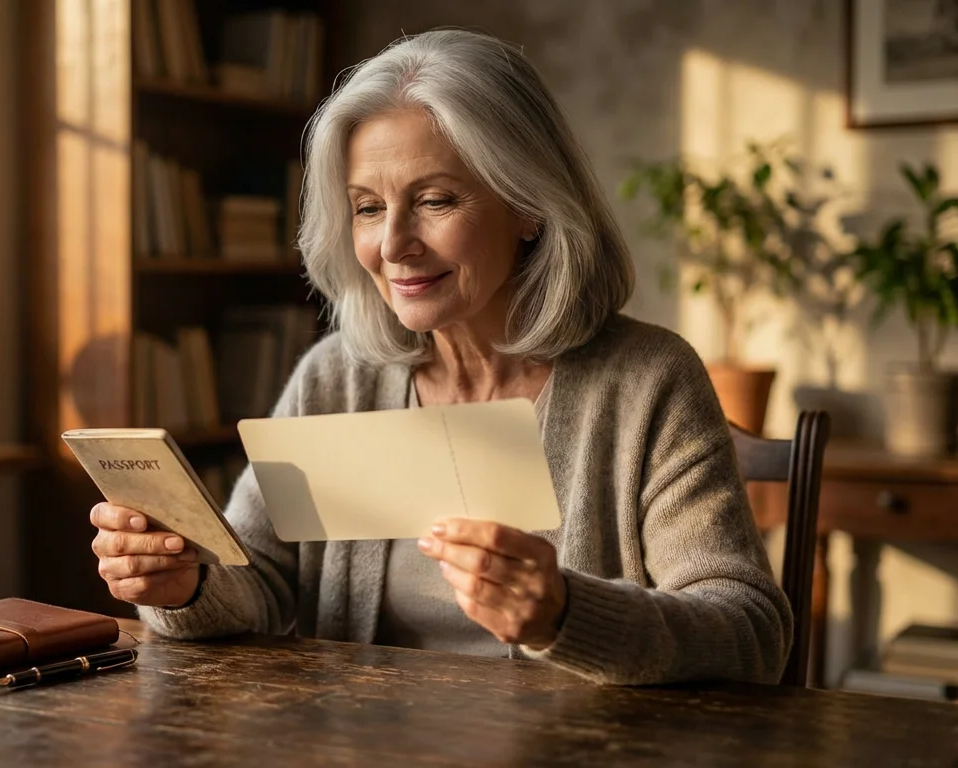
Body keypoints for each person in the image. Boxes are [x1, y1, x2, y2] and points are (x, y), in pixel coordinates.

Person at [88, 29, 791, 686]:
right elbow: (260, 580)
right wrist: (188, 584)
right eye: (366, 207)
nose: (393, 244)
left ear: (529, 206)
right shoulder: (338, 376)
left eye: (434, 200)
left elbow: (751, 631)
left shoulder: (647, 381)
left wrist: (568, 614)